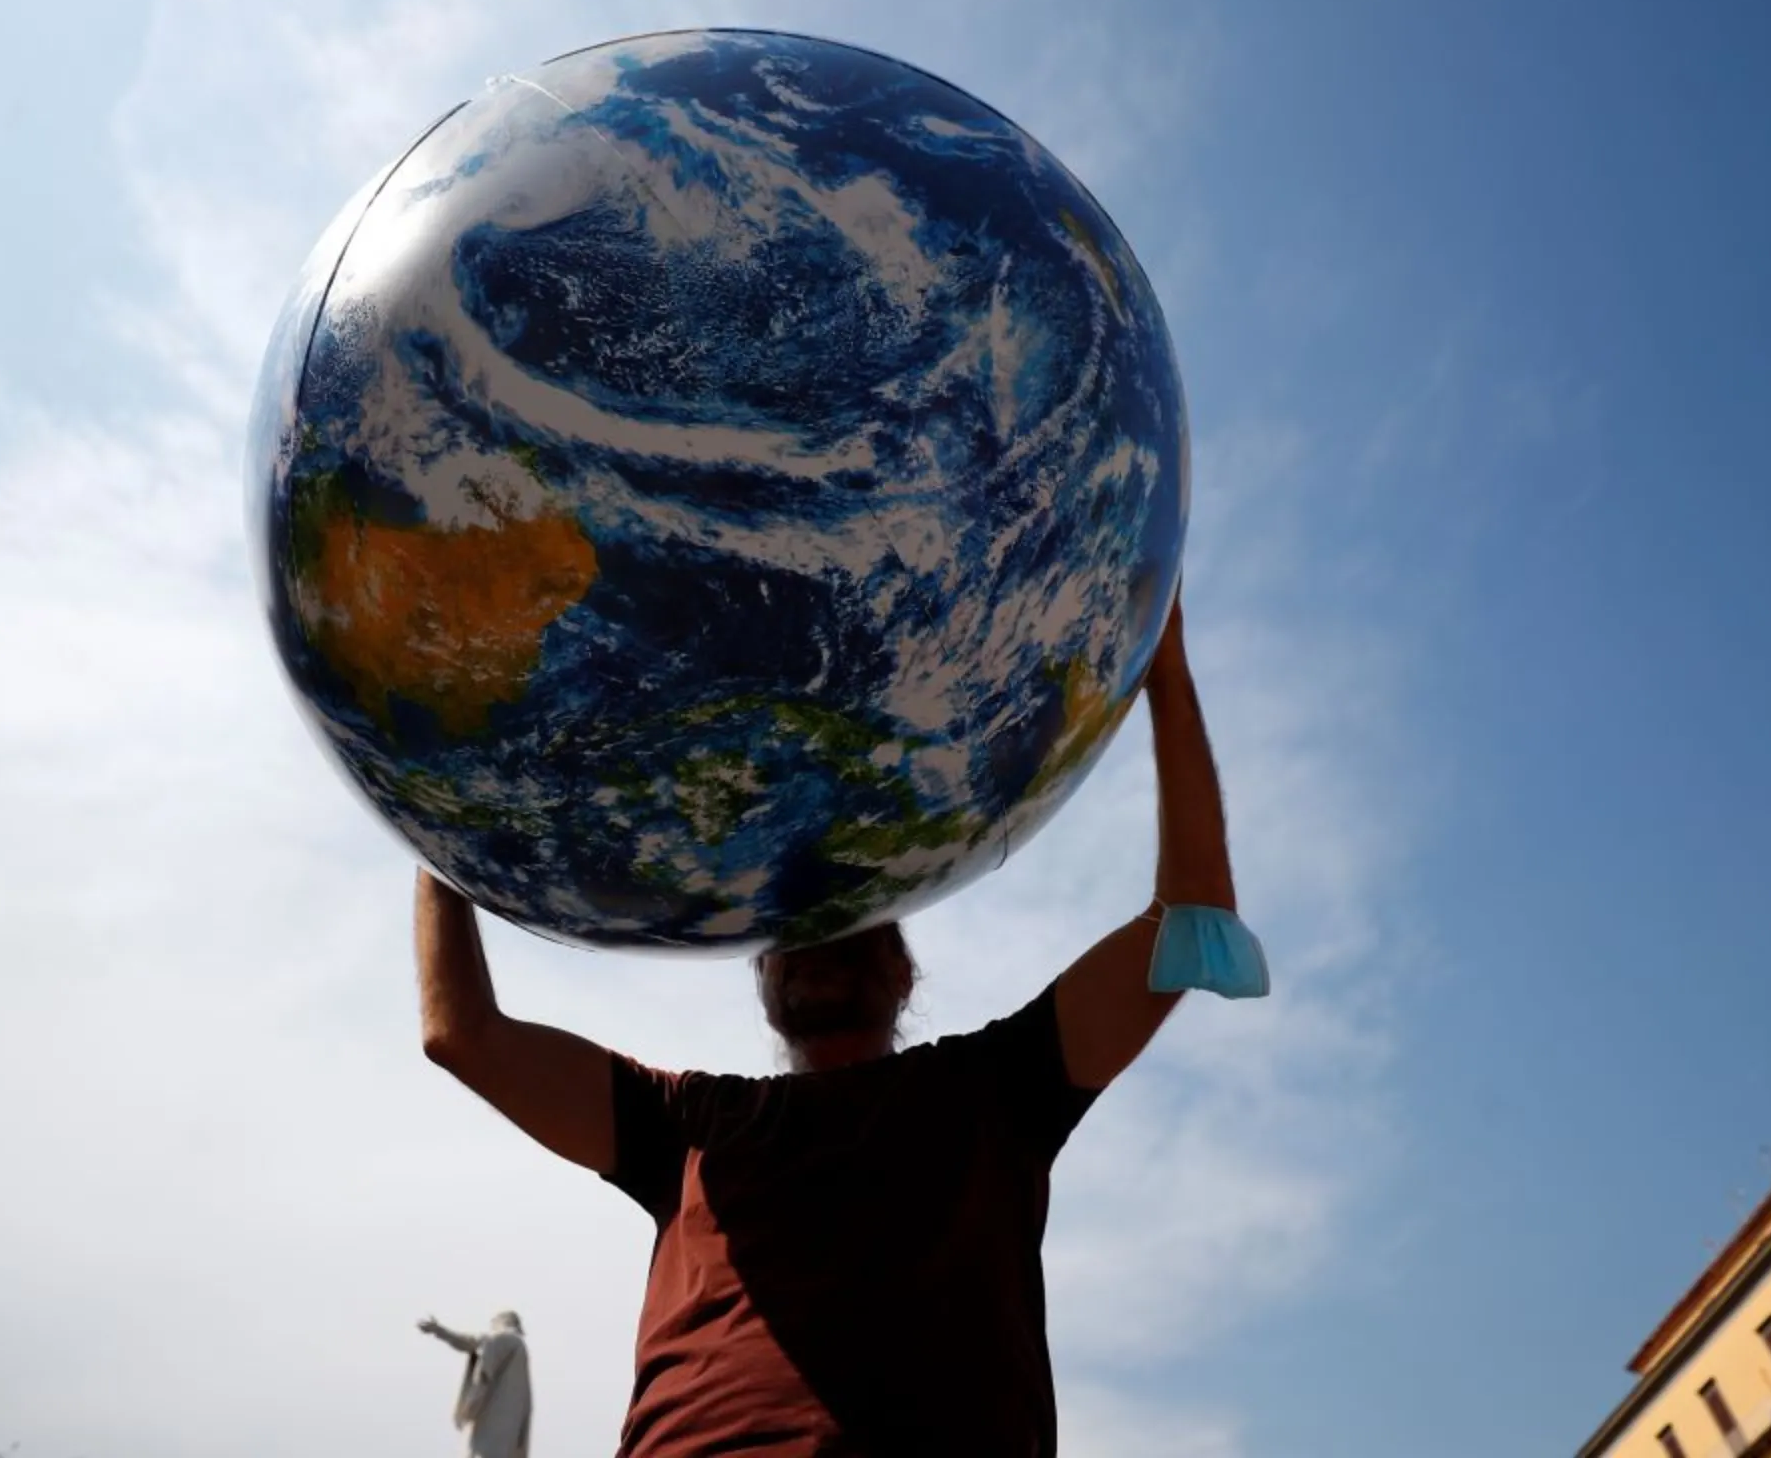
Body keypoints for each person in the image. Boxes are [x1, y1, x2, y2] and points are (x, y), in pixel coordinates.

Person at [415, 593, 1266, 1456]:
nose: (819, 941)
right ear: (764, 979)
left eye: (854, 923)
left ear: (904, 973)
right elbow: (463, 1034)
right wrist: (422, 797)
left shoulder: (992, 1091)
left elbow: (1190, 917)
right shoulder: (681, 1125)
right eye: (795, 933)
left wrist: (1163, 665)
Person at [418, 1310, 533, 1458]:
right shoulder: (515, 1345)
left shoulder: (504, 1338)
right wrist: (439, 1331)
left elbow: (474, 1351)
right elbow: (471, 1342)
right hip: (506, 1423)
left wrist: (472, 1403)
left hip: (492, 1420)